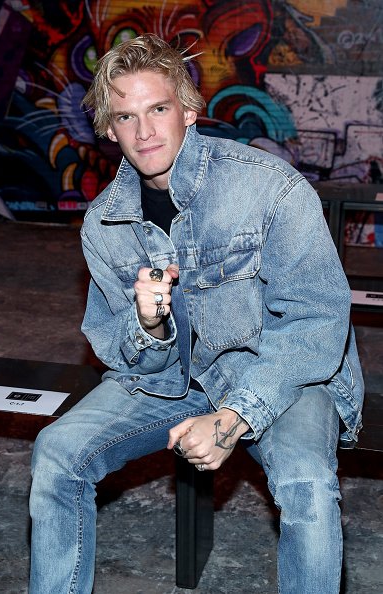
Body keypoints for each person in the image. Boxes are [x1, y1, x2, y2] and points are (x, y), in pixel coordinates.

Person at [29, 33, 364, 594]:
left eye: (157, 109)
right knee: (56, 454)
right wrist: (151, 324)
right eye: (126, 117)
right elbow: (120, 348)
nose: (145, 132)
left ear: (188, 109)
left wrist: (233, 416)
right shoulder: (104, 224)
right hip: (175, 380)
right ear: (109, 130)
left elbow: (316, 321)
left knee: (306, 480)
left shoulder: (268, 187)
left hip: (284, 370)